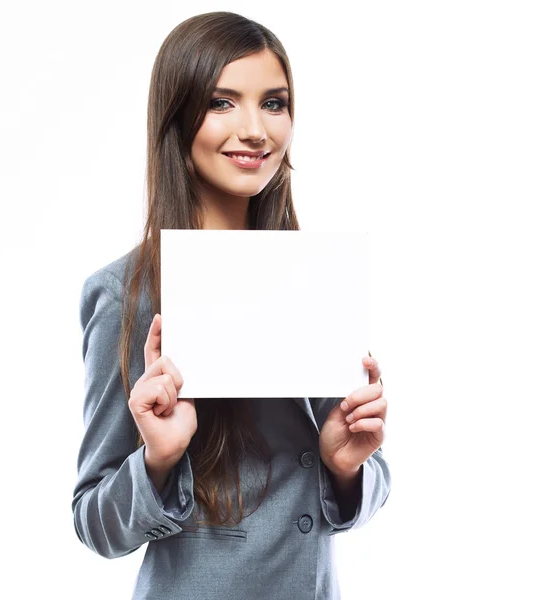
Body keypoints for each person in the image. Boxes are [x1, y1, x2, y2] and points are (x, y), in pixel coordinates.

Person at [72, 11, 391, 600]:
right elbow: (93, 520)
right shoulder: (131, 292)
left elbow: (358, 475)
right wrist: (158, 460)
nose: (256, 130)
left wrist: (347, 467)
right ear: (177, 116)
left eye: (274, 103)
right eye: (223, 102)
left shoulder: (311, 276)